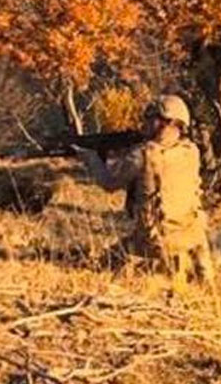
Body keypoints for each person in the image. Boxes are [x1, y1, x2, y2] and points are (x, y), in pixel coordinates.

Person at [77, 94, 214, 287]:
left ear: (165, 122)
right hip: (191, 233)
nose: (146, 123)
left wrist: (91, 159)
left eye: (151, 118)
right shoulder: (191, 151)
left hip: (156, 237)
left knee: (105, 260)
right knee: (193, 233)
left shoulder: (143, 153)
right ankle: (203, 274)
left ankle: (169, 270)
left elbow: (109, 183)